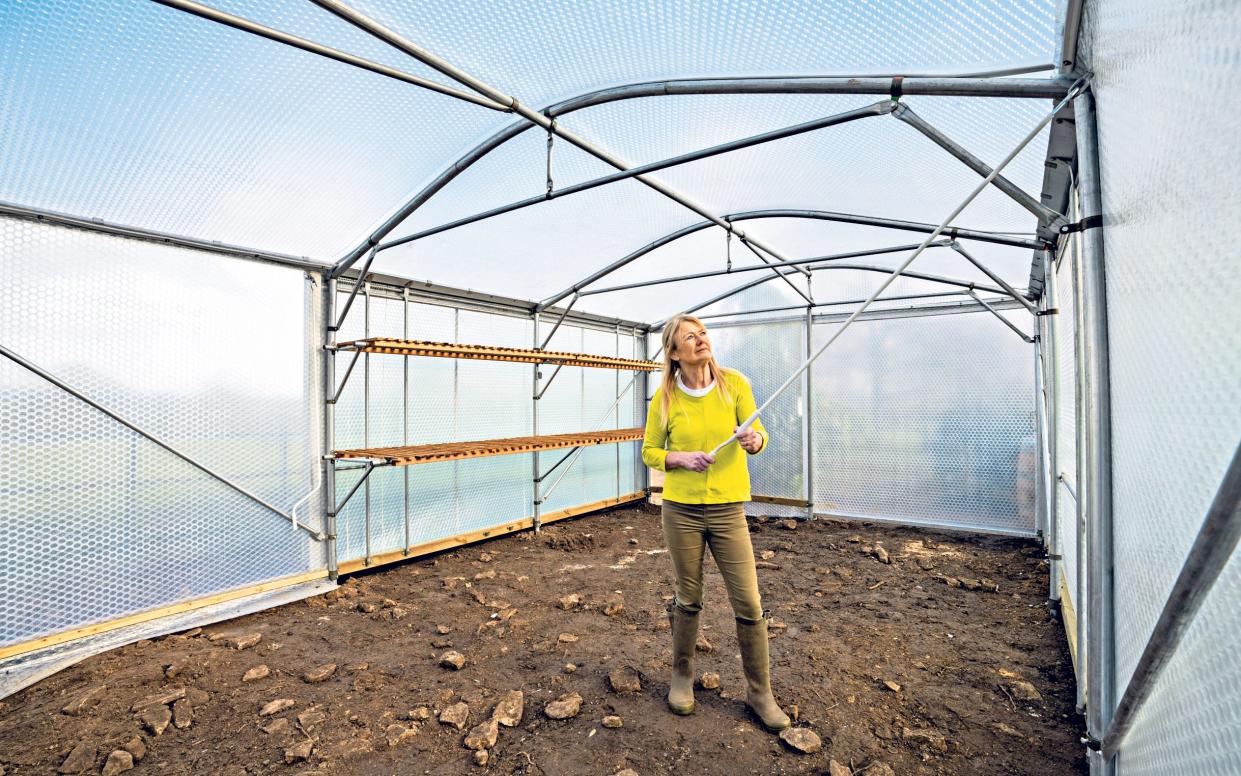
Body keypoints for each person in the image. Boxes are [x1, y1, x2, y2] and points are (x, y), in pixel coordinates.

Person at [641, 313, 791, 732]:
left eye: (702, 333)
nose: (700, 340)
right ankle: (682, 677)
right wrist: (677, 458)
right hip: (681, 511)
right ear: (674, 352)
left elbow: (759, 433)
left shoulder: (735, 384)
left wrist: (754, 440)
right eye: (689, 337)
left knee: (748, 600)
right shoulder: (666, 398)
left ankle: (760, 693)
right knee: (688, 596)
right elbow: (650, 451)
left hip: (728, 510)